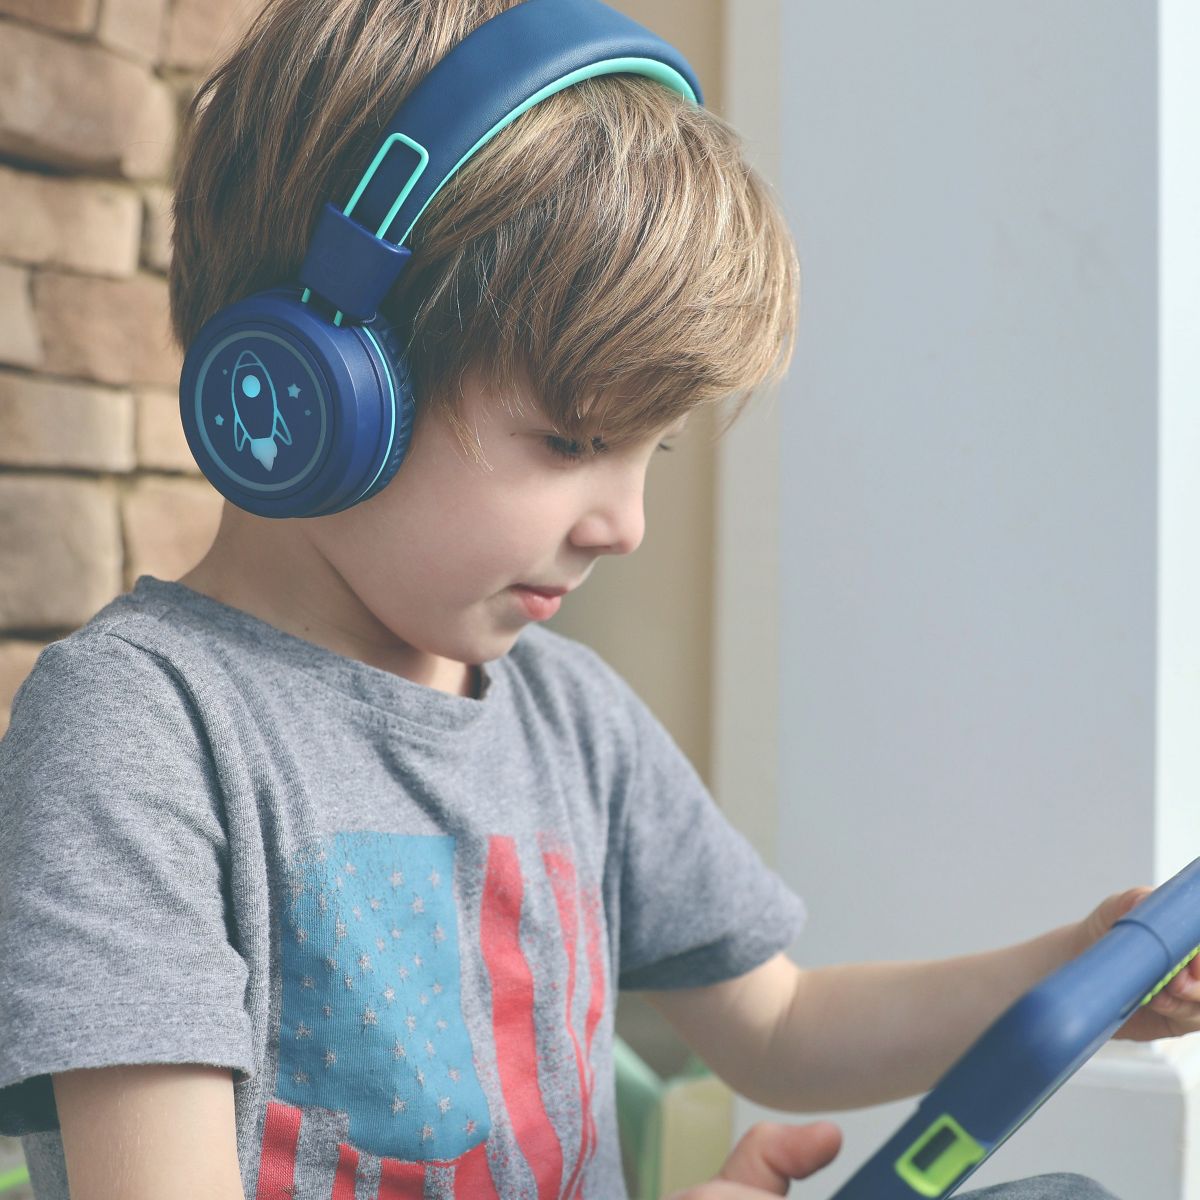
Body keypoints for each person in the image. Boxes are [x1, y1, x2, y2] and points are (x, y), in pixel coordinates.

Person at [0, 2, 1197, 1198]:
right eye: (572, 441)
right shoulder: (140, 733)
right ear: (314, 388)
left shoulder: (571, 719)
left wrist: (1078, 970)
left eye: (650, 452)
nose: (624, 526)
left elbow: (780, 1026)